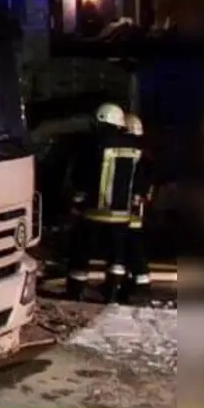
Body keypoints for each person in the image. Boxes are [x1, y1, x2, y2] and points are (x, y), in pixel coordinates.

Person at [66, 103, 146, 302]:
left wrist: (76, 202)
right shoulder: (136, 148)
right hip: (122, 215)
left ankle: (75, 292)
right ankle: (113, 294)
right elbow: (141, 179)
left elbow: (82, 175)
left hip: (93, 212)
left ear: (101, 119)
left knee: (81, 252)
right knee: (117, 256)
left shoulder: (93, 143)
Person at [123, 113, 155, 301]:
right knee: (132, 243)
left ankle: (140, 281)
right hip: (135, 205)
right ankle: (135, 279)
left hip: (131, 206)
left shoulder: (137, 151)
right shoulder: (143, 150)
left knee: (132, 243)